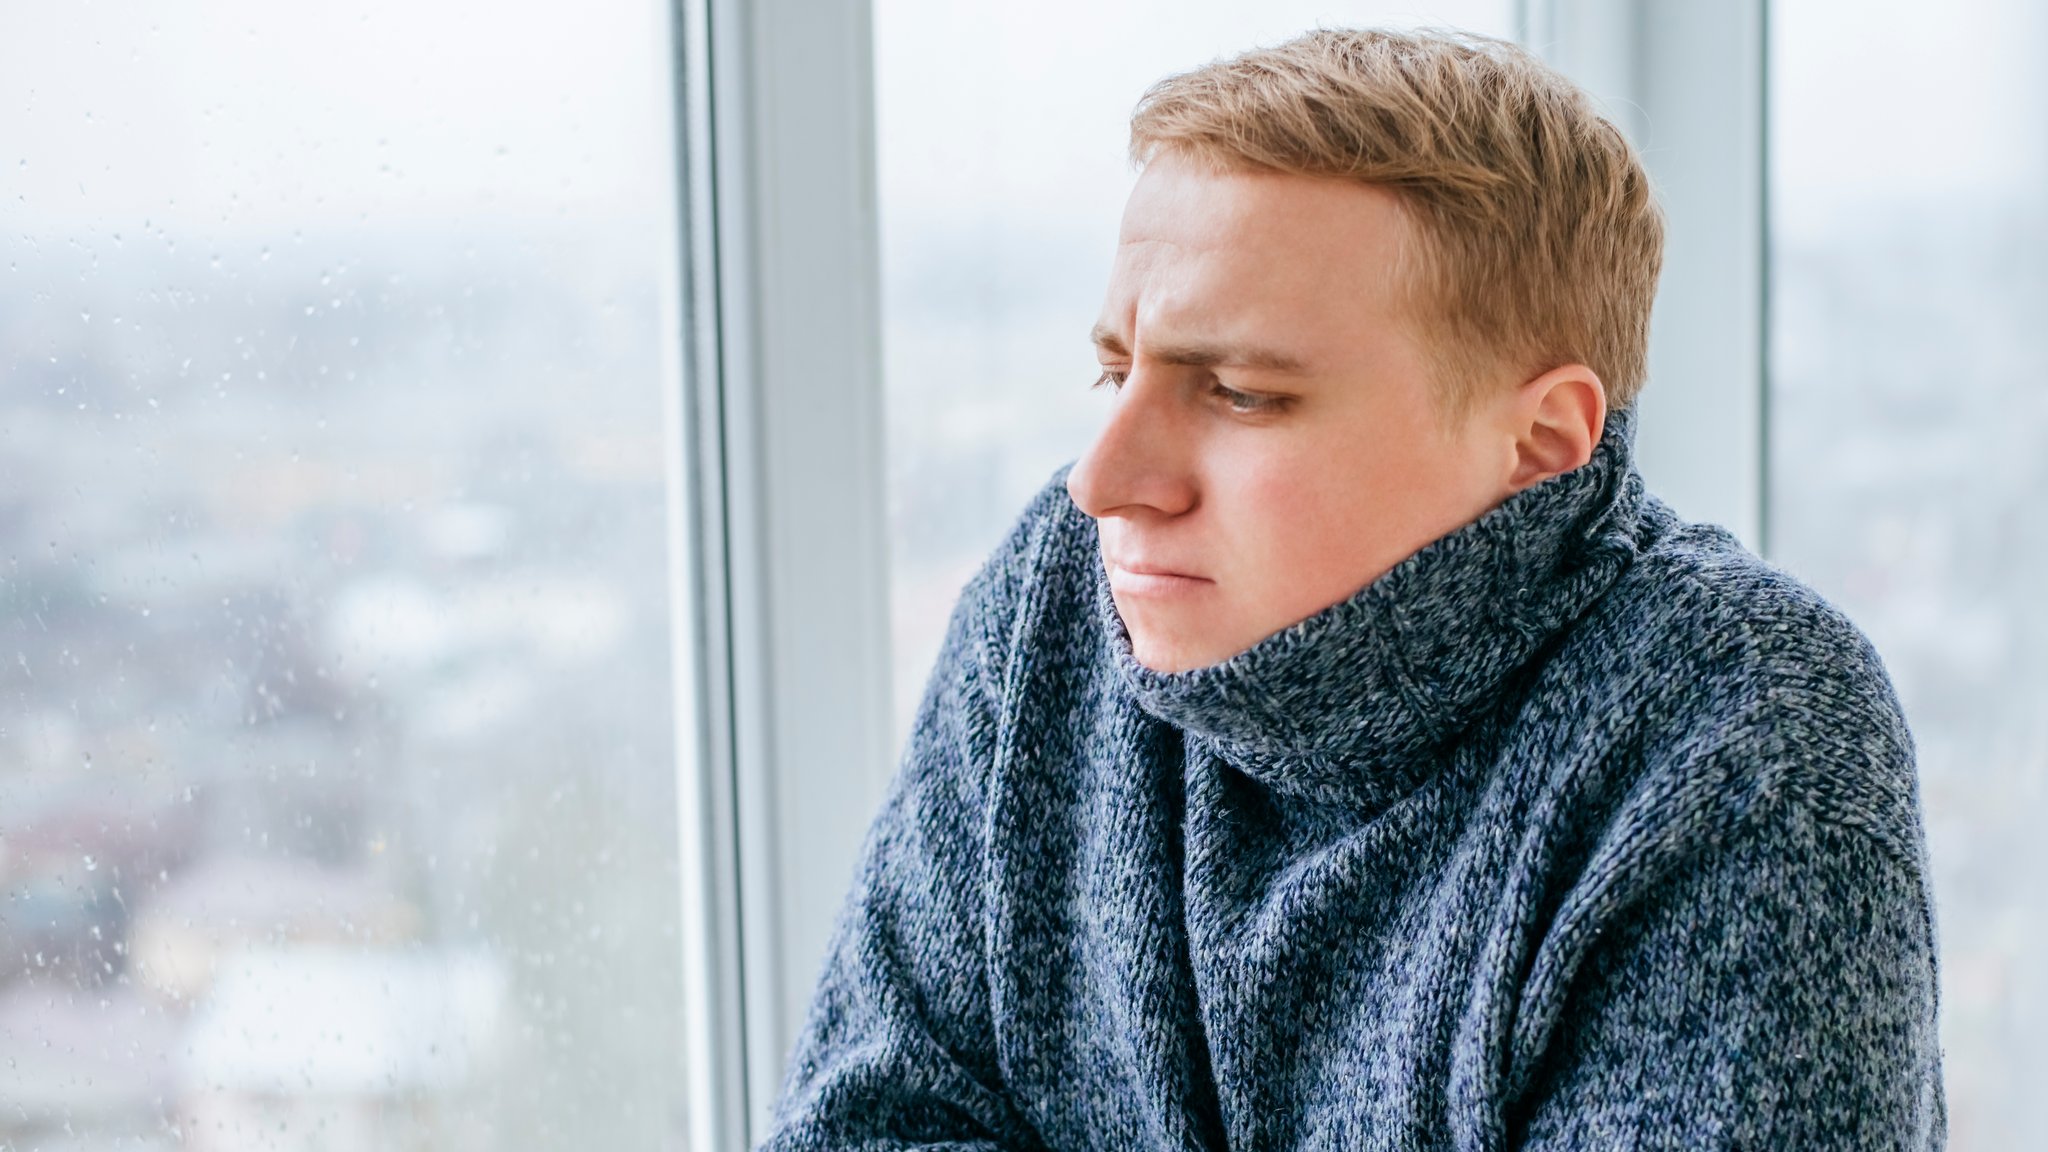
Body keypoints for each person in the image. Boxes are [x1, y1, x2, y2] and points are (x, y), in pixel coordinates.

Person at [762, 27, 1944, 1151]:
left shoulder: (1744, 729)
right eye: (1112, 369)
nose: (1102, 481)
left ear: (1539, 438)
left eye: (1237, 392)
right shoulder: (1055, 608)